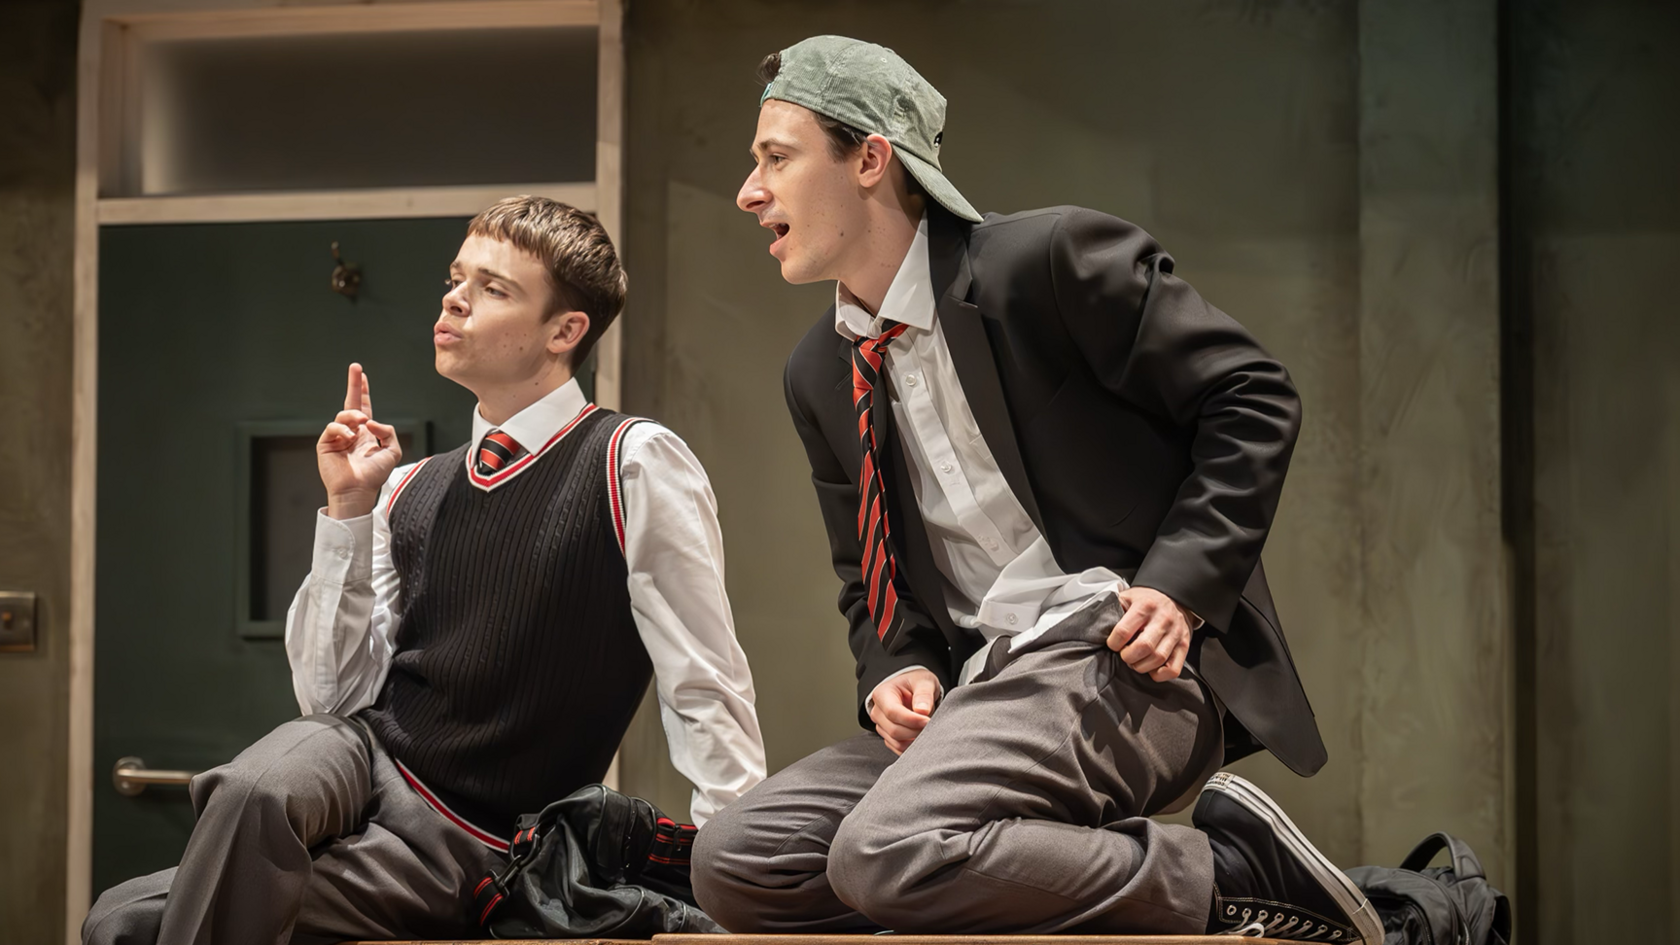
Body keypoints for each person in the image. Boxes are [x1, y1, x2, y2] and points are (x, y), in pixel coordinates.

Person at [692, 36, 1380, 943]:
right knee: (739, 863)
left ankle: (1230, 874)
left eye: (775, 158)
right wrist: (896, 665)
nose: (750, 191)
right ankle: (1002, 863)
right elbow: (870, 580)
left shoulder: (1045, 260)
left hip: (1128, 660)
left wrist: (1178, 588)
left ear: (869, 158)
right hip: (985, 688)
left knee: (880, 854)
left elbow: (1251, 395)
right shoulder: (819, 372)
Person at [84, 196, 766, 945]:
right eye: (455, 277)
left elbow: (703, 679)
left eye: (493, 288)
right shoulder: (409, 486)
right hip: (360, 754)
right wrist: (347, 508)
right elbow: (333, 697)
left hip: (469, 838)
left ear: (565, 331)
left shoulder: (632, 460)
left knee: (121, 921)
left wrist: (734, 872)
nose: (454, 297)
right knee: (251, 786)